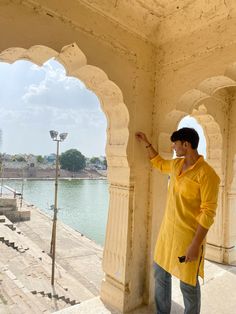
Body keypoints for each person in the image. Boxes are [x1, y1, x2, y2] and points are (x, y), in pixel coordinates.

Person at [136, 128, 220, 314]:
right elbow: (158, 163)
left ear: (186, 145)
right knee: (160, 273)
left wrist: (195, 245)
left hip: (187, 239)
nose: (173, 147)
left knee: (187, 284)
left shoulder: (207, 175)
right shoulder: (176, 166)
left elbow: (208, 213)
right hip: (168, 235)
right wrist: (147, 143)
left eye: (175, 143)